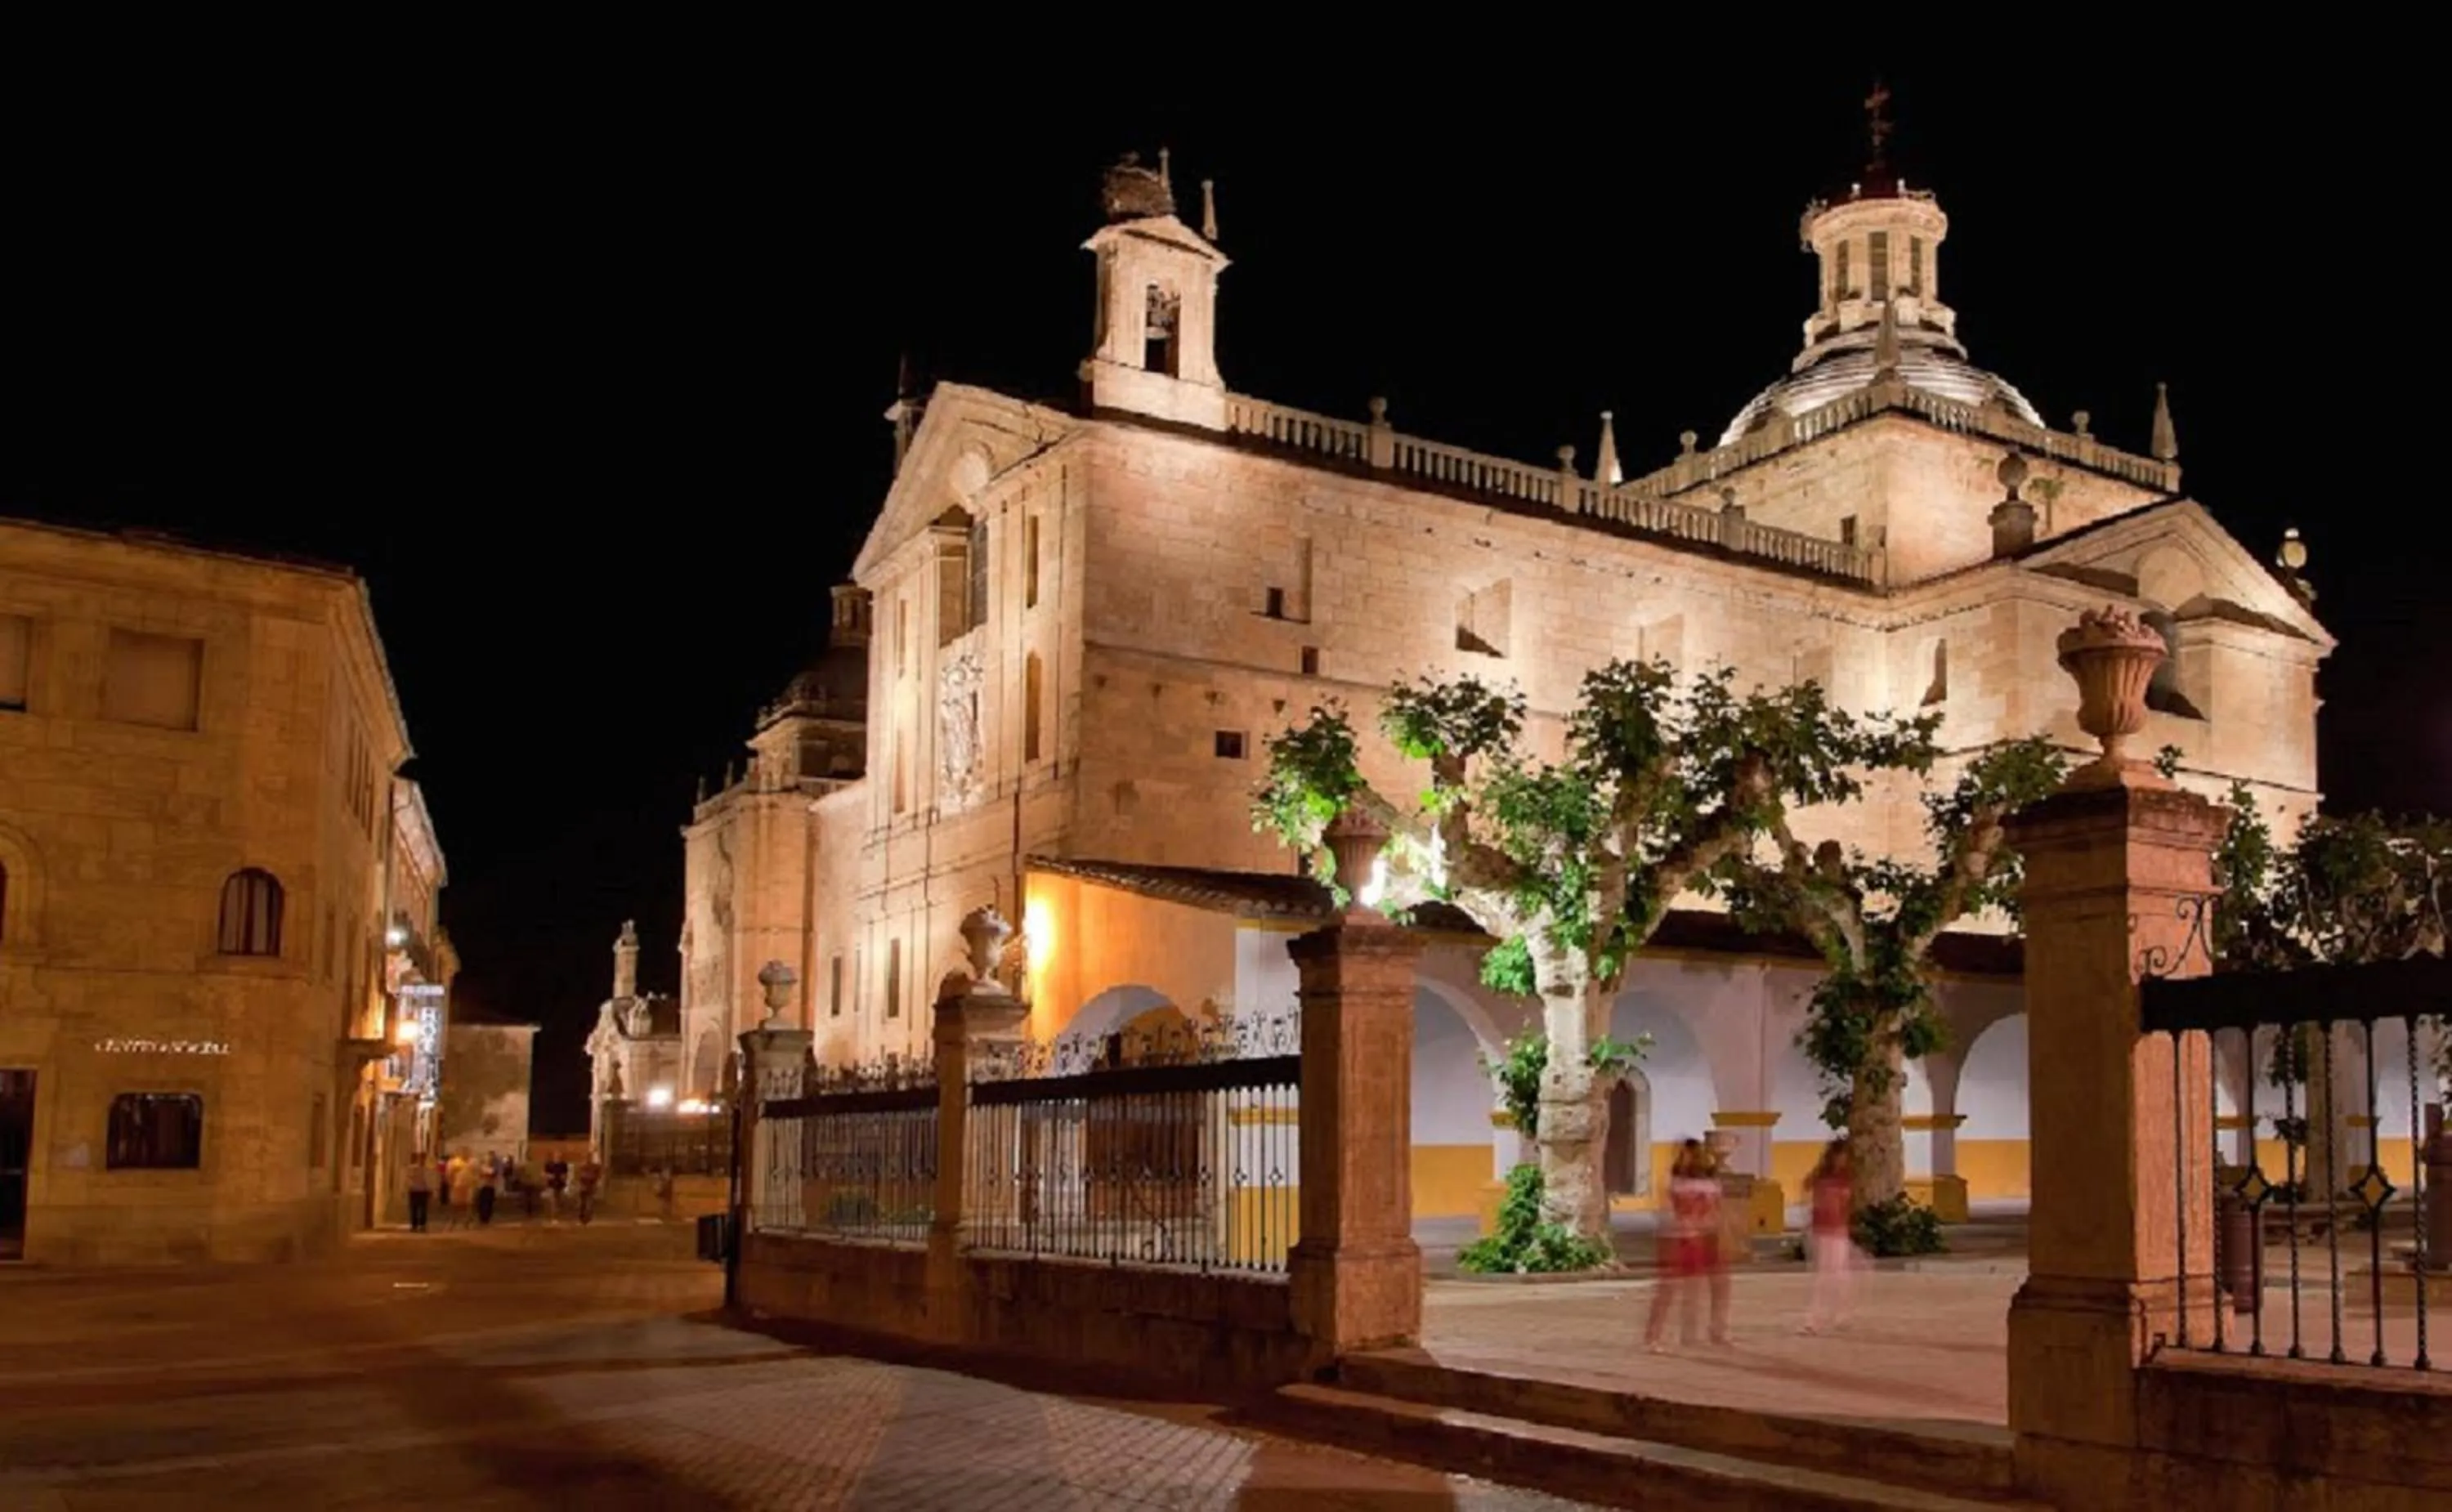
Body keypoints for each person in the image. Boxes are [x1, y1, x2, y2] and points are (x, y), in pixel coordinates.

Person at [1645, 1139, 1725, 1352]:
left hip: (1699, 1237)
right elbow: (1666, 1209)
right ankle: (1654, 1336)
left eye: (1690, 1153)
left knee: (1695, 1288)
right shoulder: (1676, 1181)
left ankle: (1689, 1334)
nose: (1687, 1157)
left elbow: (1715, 1211)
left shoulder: (1708, 1183)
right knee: (1668, 1290)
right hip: (1677, 1238)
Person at [1801, 1138, 1860, 1335]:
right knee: (1825, 1275)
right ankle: (1815, 1319)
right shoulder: (1822, 1178)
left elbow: (1847, 1206)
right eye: (1840, 1155)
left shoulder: (1846, 1179)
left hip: (1838, 1230)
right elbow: (1810, 1195)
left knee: (1841, 1274)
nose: (1843, 1160)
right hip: (1823, 1230)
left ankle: (1841, 1314)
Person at [405, 1152, 432, 1233]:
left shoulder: (426, 1169)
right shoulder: (414, 1168)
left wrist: (430, 1189)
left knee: (422, 1209)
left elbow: (429, 1180)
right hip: (416, 1190)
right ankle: (415, 1225)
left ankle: (420, 1225)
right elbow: (408, 1179)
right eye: (422, 1158)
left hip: (421, 1190)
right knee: (415, 1208)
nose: (423, 1160)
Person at [575, 1157, 602, 1224]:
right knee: (585, 1203)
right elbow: (579, 1177)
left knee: (587, 1203)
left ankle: (585, 1217)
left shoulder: (592, 1168)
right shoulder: (584, 1168)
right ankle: (584, 1217)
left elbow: (598, 1176)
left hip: (589, 1186)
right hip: (586, 1186)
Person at [475, 1152, 499, 1227]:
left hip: (490, 1187)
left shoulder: (492, 1168)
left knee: (489, 1203)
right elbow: (481, 1175)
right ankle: (483, 1218)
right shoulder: (482, 1167)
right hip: (483, 1187)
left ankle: (487, 1217)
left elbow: (493, 1175)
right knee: (483, 1203)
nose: (490, 1161)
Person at [544, 1155, 570, 1222]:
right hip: (552, 1185)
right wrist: (549, 1176)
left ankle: (559, 1215)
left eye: (559, 1157)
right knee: (553, 1202)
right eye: (556, 1156)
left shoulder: (563, 1165)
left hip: (560, 1185)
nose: (558, 1158)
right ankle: (554, 1217)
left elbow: (566, 1174)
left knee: (560, 1201)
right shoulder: (549, 1164)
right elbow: (545, 1174)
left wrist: (564, 1177)